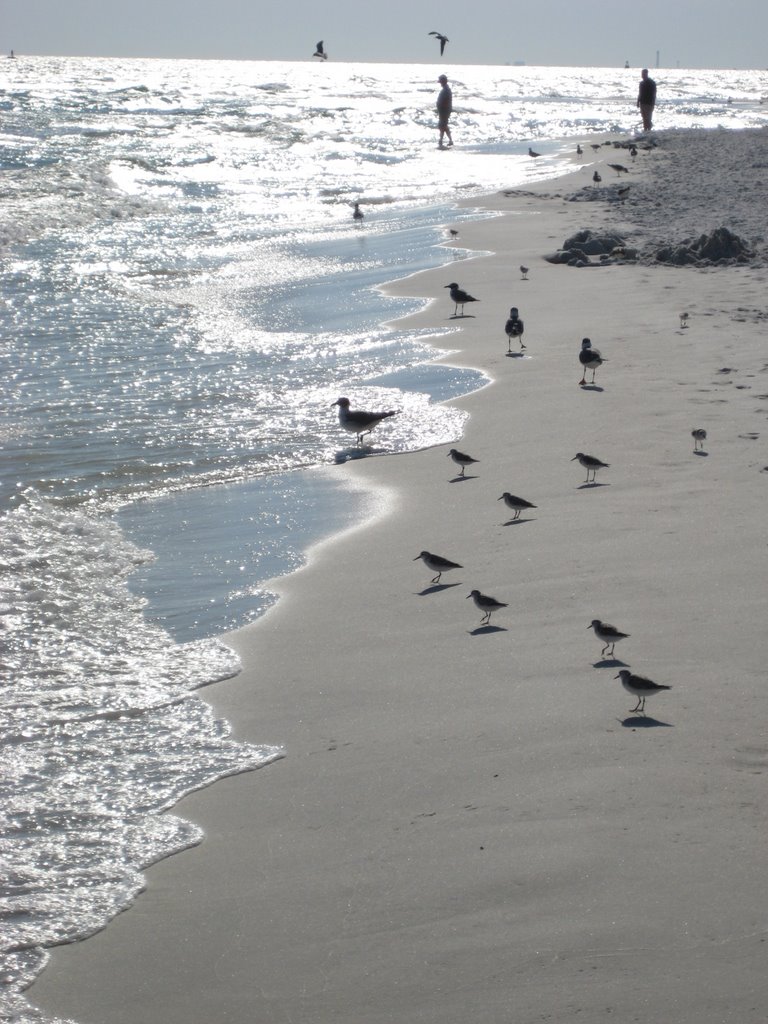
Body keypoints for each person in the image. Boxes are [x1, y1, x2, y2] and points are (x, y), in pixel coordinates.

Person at [436, 74, 453, 149]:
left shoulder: (446, 90)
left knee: (442, 125)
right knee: (443, 126)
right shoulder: (446, 89)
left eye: (440, 81)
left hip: (444, 111)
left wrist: (442, 108)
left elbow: (446, 101)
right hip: (443, 110)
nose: (440, 83)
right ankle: (447, 140)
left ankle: (441, 141)